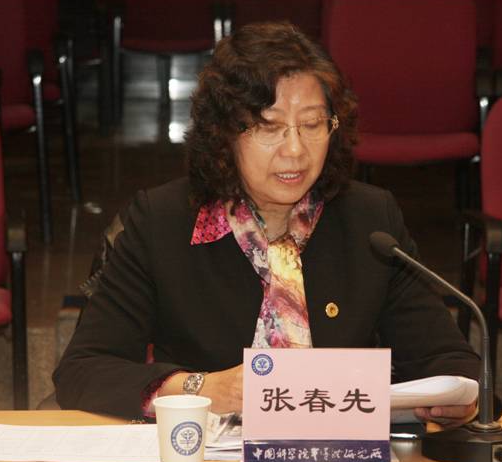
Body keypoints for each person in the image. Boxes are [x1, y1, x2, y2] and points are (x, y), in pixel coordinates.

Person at [54, 22, 480, 428]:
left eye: (312, 124)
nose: (295, 149)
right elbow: (84, 370)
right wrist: (203, 389)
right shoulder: (162, 222)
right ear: (224, 133)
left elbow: (451, 364)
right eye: (268, 126)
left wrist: (457, 400)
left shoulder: (370, 222)